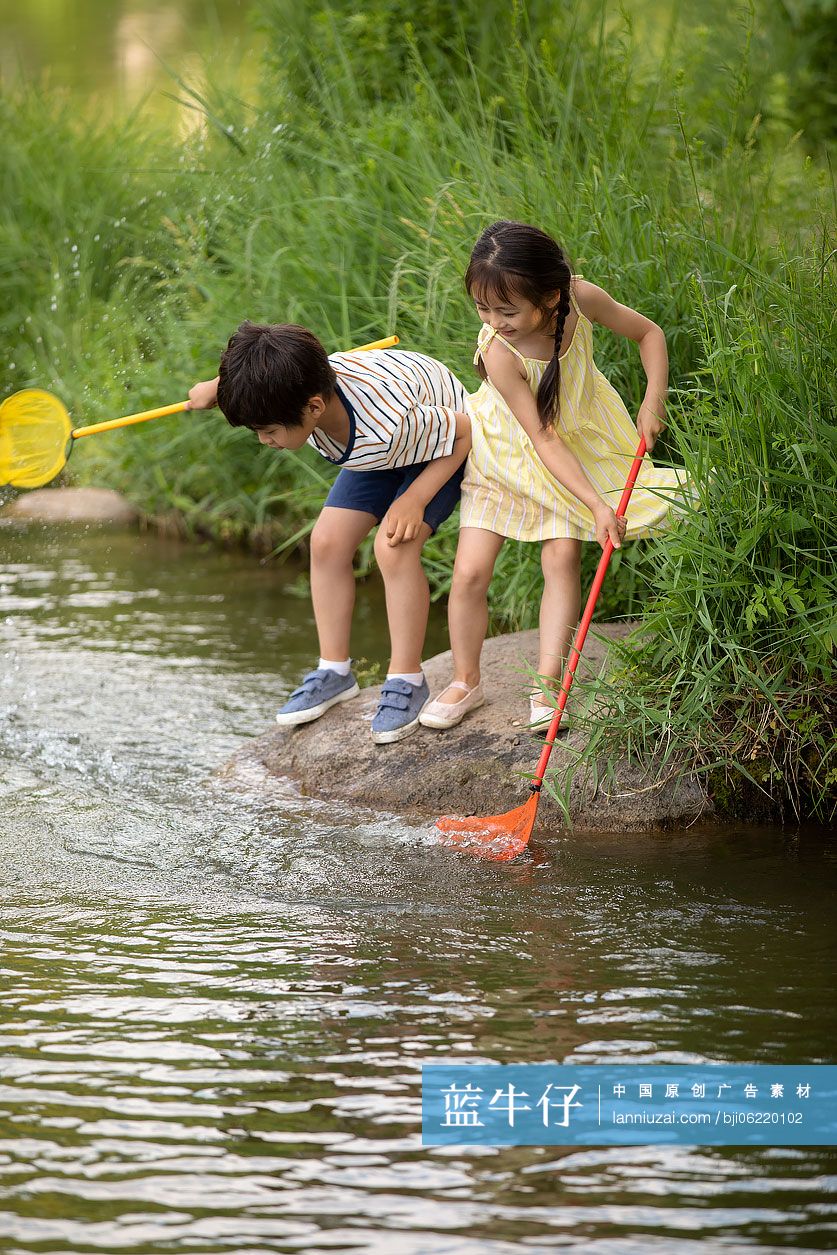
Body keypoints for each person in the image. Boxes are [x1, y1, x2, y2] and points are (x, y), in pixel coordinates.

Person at [419, 219, 684, 732]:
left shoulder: (581, 299)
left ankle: (548, 683)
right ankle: (465, 679)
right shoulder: (500, 352)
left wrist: (654, 398)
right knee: (471, 571)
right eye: (482, 308)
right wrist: (596, 503)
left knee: (561, 556)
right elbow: (539, 438)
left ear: (551, 296)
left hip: (575, 438)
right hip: (508, 447)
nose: (494, 320)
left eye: (507, 309)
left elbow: (649, 334)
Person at [187, 322, 471, 743]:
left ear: (314, 408)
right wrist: (219, 387)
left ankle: (408, 678)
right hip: (375, 452)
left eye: (268, 430)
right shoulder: (301, 386)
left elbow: (465, 430)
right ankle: (335, 671)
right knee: (326, 543)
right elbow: (269, 356)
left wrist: (414, 498)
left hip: (439, 447)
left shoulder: (388, 422)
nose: (265, 441)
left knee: (392, 546)